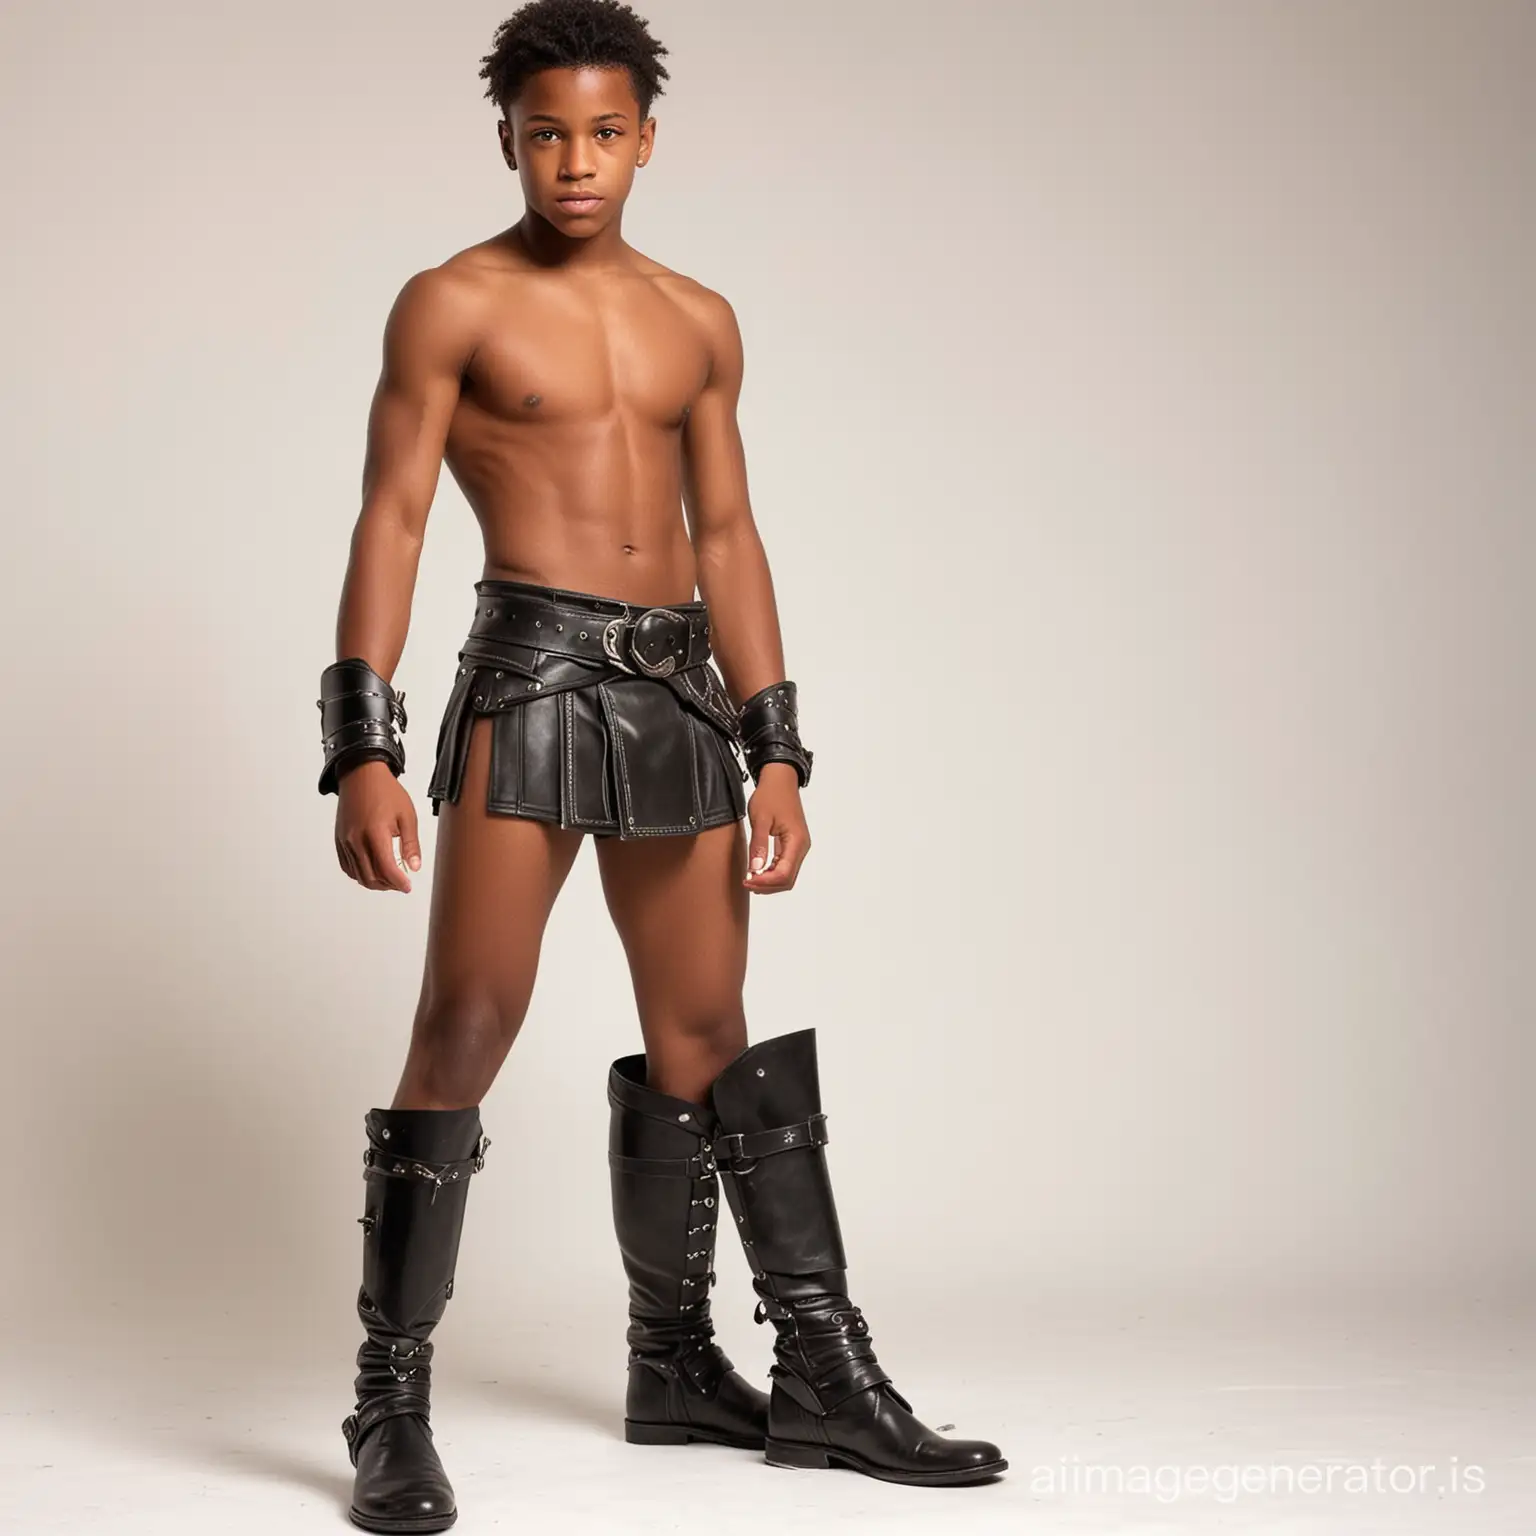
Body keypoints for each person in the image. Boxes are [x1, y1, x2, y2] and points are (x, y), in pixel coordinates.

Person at [315, 2, 1006, 1529]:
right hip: (533, 675)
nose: (577, 160)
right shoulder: (451, 303)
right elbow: (394, 520)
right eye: (547, 131)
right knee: (470, 1018)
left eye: (605, 130)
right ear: (505, 135)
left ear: (648, 135)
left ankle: (730, 1365)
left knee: (706, 1028)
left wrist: (777, 745)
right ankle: (388, 1402)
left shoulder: (701, 316)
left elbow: (732, 536)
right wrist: (358, 748)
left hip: (681, 687)